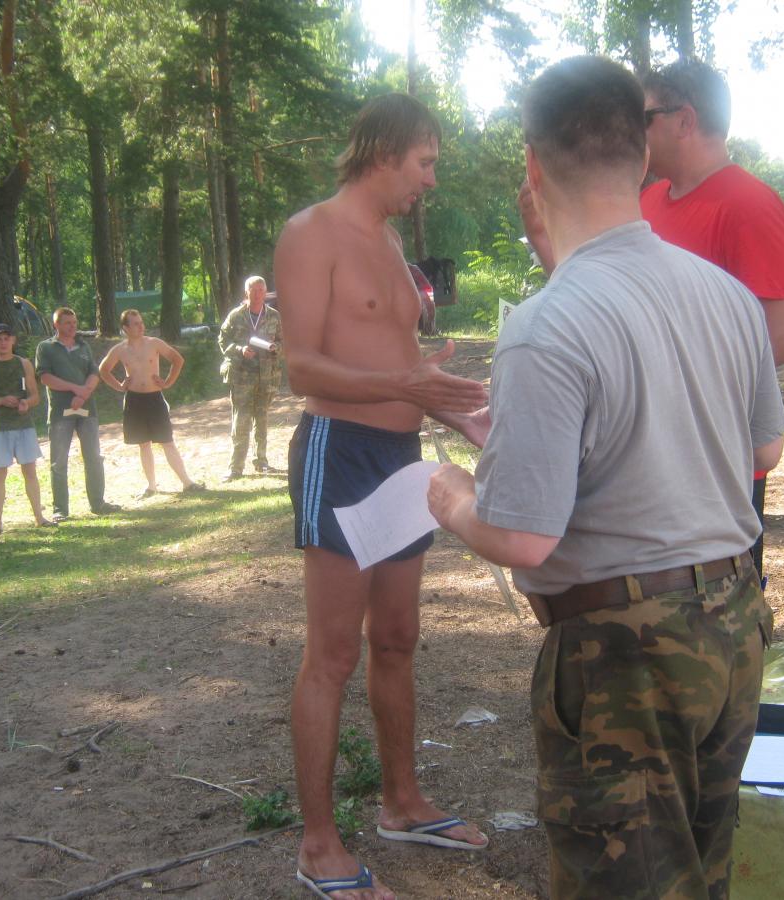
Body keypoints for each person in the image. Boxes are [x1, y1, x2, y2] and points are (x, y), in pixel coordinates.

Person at [428, 56, 784, 899]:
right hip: (733, 620)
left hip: (626, 655)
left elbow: (523, 537)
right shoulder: (725, 296)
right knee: (703, 871)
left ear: (532, 163)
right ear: (641, 154)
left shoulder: (548, 323)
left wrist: (451, 496)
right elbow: (763, 452)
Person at [274, 92, 490, 900]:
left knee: (397, 638)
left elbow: (399, 361)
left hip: (400, 456)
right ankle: (318, 845)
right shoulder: (310, 233)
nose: (430, 179)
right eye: (425, 162)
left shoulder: (392, 240)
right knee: (332, 654)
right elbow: (300, 367)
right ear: (385, 151)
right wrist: (407, 384)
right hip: (339, 452)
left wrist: (455, 407)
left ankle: (402, 802)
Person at [519, 58, 784, 582]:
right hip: (632, 455)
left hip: (710, 466)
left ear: (685, 120)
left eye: (643, 117)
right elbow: (599, 303)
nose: (630, 129)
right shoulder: (646, 200)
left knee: (712, 594)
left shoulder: (749, 204)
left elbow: (780, 341)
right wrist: (544, 238)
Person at [98, 309, 204, 497]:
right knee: (143, 444)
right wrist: (119, 386)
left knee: (167, 441)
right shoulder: (120, 349)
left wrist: (168, 382)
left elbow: (177, 360)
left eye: (141, 322)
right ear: (125, 328)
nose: (141, 326)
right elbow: (103, 370)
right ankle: (151, 486)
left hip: (155, 398)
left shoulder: (154, 343)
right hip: (134, 400)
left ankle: (187, 482)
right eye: (136, 324)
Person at [35, 307, 119, 519]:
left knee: (94, 457)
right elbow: (45, 378)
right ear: (56, 324)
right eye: (67, 323)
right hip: (60, 412)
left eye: (74, 322)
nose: (73, 326)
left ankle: (98, 503)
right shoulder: (46, 348)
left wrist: (83, 394)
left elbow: (94, 373)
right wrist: (75, 389)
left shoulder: (83, 346)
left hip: (87, 409)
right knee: (59, 462)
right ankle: (60, 510)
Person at [0, 324, 54, 533]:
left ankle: (39, 517)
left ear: (13, 340)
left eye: (7, 338)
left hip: (23, 425)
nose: (3, 343)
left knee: (30, 472)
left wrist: (26, 403)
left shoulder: (24, 364)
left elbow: (35, 395)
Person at [218, 275, 282, 478]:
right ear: (246, 292)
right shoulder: (236, 316)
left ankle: (261, 462)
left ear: (265, 292)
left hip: (266, 376)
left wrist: (276, 348)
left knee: (261, 420)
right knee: (241, 421)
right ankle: (235, 468)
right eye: (253, 290)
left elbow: (284, 341)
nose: (257, 294)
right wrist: (239, 349)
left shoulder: (274, 316)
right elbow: (223, 340)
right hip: (241, 376)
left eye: (261, 290)